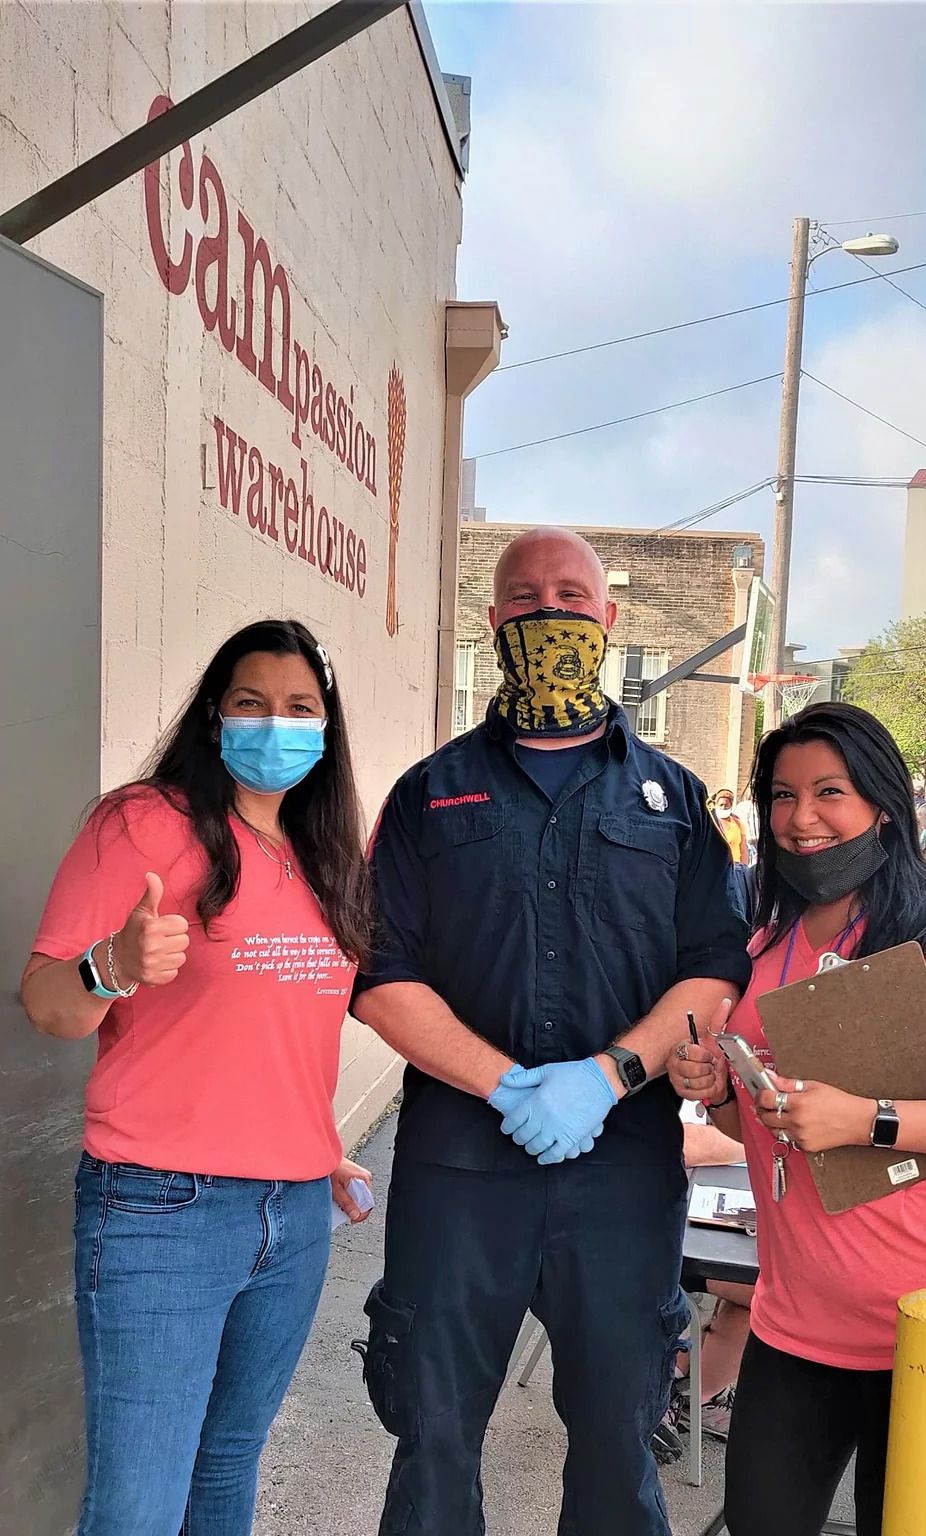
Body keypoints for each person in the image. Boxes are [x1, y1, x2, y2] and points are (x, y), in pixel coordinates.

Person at [351, 527, 750, 1536]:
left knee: (618, 1447)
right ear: (492, 624)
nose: (548, 612)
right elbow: (377, 974)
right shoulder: (427, 795)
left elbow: (713, 963)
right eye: (523, 597)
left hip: (621, 1176)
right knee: (433, 1436)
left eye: (570, 595)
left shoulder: (673, 801)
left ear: (608, 618)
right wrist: (508, 1085)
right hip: (458, 1173)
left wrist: (608, 1076)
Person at [20, 619, 374, 1536]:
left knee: (226, 1473)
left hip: (294, 1212)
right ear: (214, 716)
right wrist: (113, 962)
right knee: (139, 1501)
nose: (275, 724)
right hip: (161, 1207)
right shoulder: (143, 822)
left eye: (300, 708)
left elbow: (278, 1036)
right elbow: (48, 1003)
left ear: (327, 728)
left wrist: (317, 1148)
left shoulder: (322, 857)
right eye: (250, 703)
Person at [667, 701, 926, 1536]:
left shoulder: (914, 945)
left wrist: (868, 1120)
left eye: (829, 792)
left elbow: (847, 1126)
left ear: (881, 805)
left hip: (916, 1330)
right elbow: (765, 1132)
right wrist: (717, 1087)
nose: (801, 818)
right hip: (793, 1324)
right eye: (781, 795)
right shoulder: (760, 947)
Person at [652, 1103, 754, 1465]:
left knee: (772, 1289)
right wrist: (764, 1140)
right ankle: (667, 1386)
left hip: (703, 1219)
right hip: (649, 1231)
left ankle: (691, 1388)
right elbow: (682, 1143)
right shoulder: (675, 1055)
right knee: (780, 1295)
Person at [710, 787, 750, 865]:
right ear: (716, 805)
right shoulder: (712, 823)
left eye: (726, 805)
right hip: (716, 866)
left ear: (731, 805)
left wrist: (744, 868)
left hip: (735, 867)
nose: (723, 807)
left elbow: (743, 849)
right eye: (721, 805)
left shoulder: (738, 824)